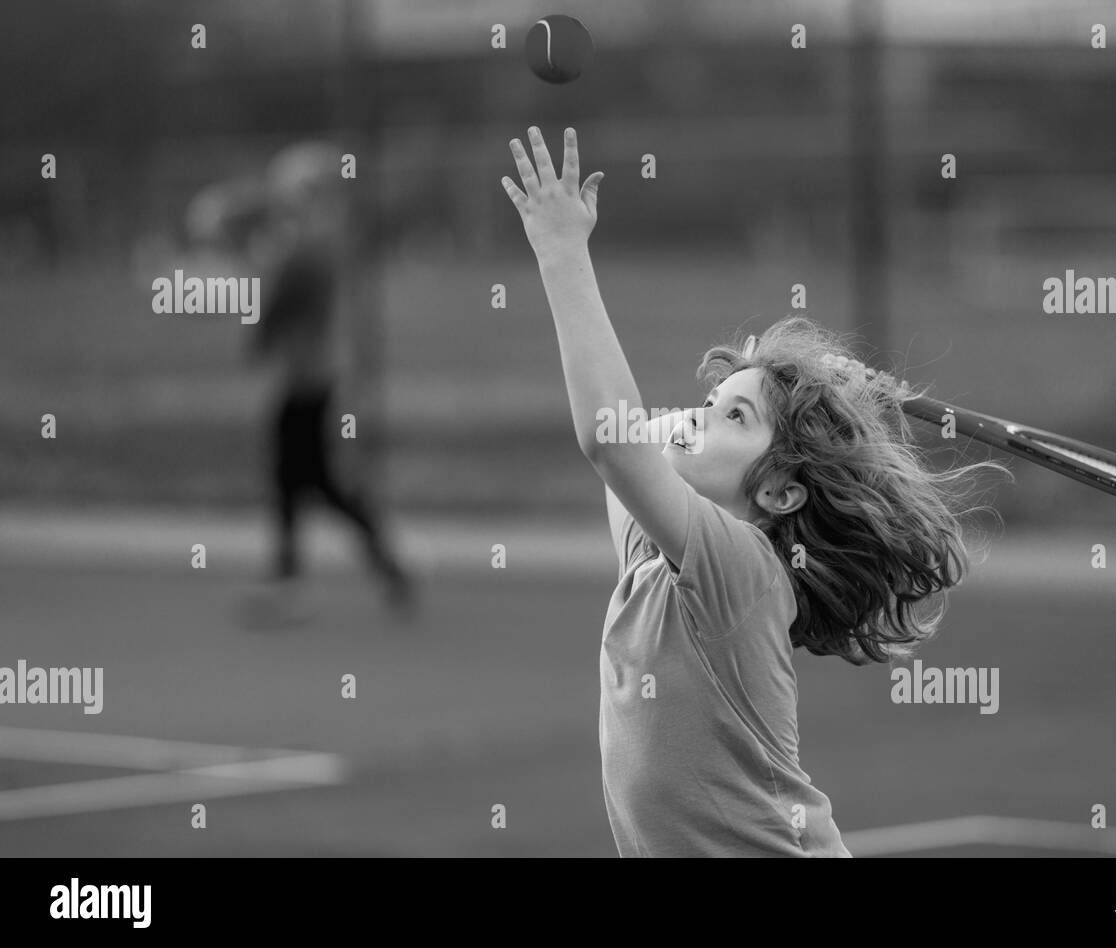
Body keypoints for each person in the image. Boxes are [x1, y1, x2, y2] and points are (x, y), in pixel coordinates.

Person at [501, 126, 1009, 856]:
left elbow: (615, 438)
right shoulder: (658, 550)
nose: (700, 416)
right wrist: (806, 389)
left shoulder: (742, 570)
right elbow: (644, 431)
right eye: (713, 401)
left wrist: (561, 252)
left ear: (779, 494)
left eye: (732, 416)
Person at [240, 143, 414, 622]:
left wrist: (257, 336)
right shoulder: (313, 242)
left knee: (307, 480)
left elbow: (273, 308)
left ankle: (296, 575)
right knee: (296, 478)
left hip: (306, 380)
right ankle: (318, 569)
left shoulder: (304, 248)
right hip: (308, 377)